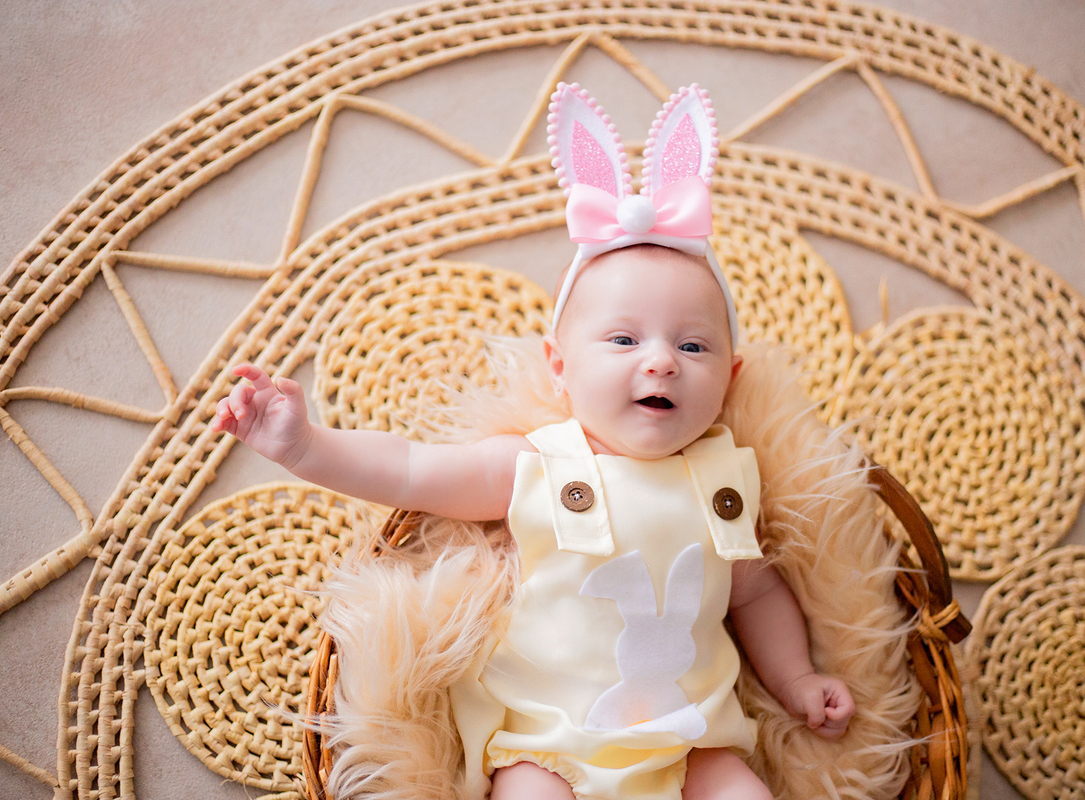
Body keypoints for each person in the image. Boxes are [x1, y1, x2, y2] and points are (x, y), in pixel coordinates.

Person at [212, 83, 854, 800]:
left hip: (690, 741)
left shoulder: (725, 477)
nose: (662, 362)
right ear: (559, 367)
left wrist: (798, 679)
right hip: (547, 745)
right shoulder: (542, 463)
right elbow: (413, 469)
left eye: (694, 346)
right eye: (623, 340)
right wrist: (305, 447)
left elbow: (756, 595)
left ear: (729, 377)